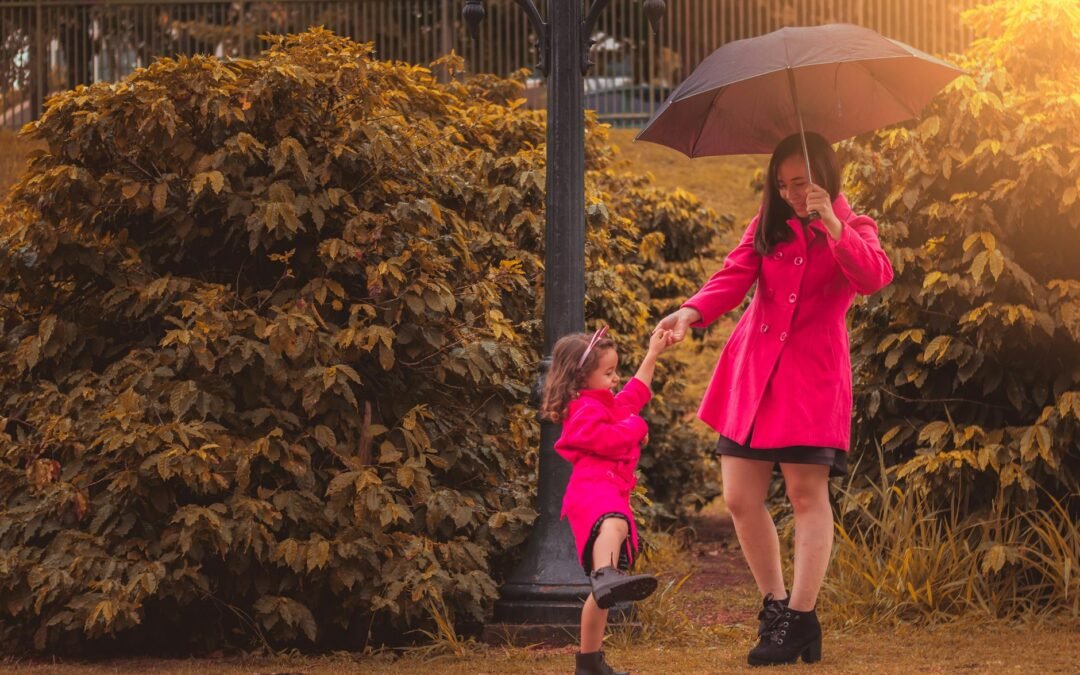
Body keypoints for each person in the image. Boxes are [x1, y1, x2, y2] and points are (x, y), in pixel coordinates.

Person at [654, 131, 894, 667]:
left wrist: (832, 225)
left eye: (800, 182)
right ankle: (775, 607)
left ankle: (802, 619)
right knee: (739, 497)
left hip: (811, 379)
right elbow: (733, 276)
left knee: (807, 496)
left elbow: (874, 276)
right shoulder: (767, 225)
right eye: (782, 184)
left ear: (825, 179)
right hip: (754, 374)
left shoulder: (854, 228)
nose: (790, 192)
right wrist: (689, 313)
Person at [541, 325, 674, 675]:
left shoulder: (606, 402)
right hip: (592, 490)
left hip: (608, 490)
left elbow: (637, 391)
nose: (616, 379)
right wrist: (637, 428)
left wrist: (653, 353)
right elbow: (604, 438)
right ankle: (604, 574)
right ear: (582, 377)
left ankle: (589, 663)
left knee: (600, 595)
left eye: (615, 371)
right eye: (609, 372)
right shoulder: (583, 409)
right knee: (613, 525)